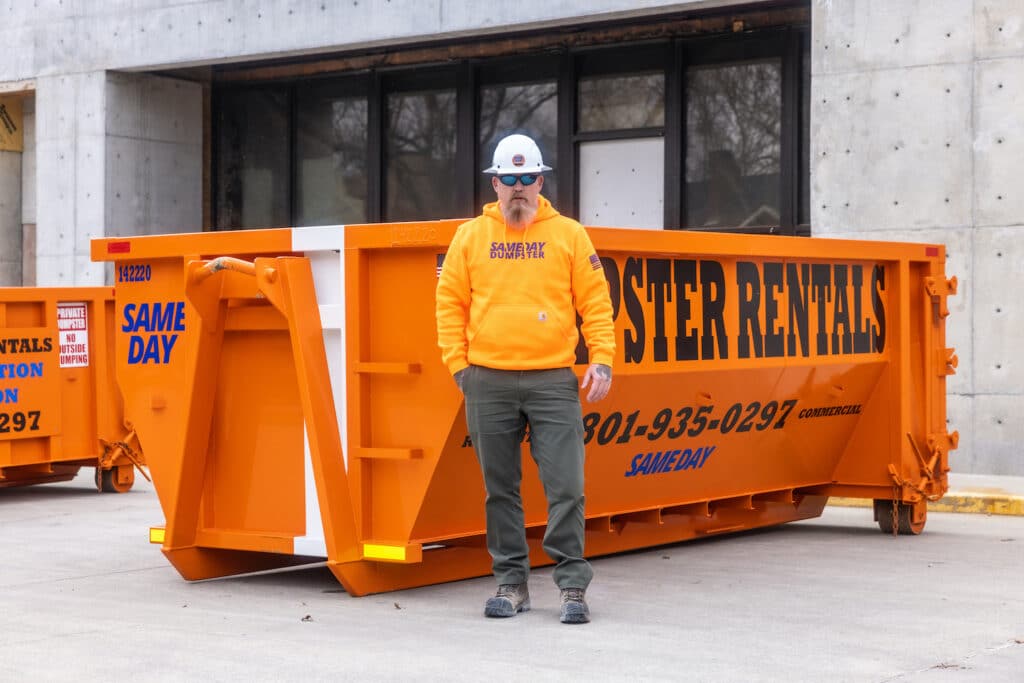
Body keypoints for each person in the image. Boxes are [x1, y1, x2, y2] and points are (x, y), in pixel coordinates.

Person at [435, 133, 615, 624]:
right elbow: (449, 303)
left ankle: (573, 587)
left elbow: (595, 303)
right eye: (508, 179)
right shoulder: (470, 237)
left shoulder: (570, 235)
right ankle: (511, 585)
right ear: (494, 183)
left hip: (553, 379)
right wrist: (459, 366)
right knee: (500, 490)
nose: (518, 188)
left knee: (568, 486)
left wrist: (601, 358)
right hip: (486, 380)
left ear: (541, 180)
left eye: (527, 178)